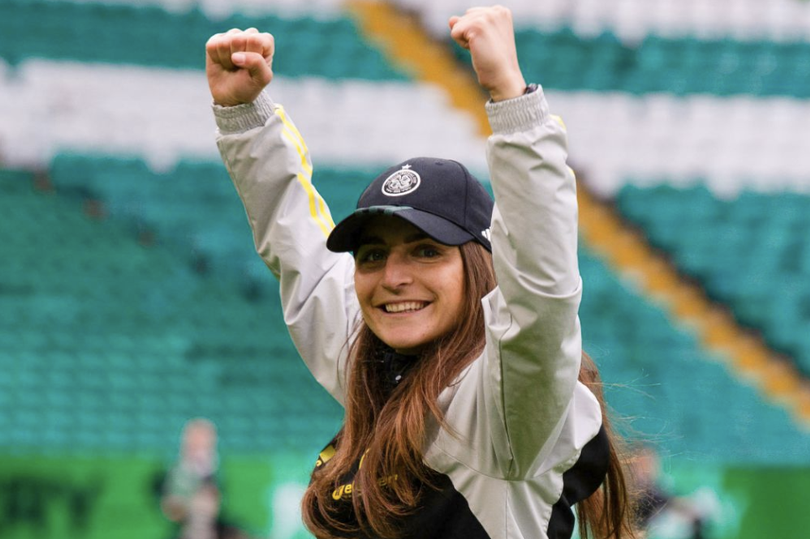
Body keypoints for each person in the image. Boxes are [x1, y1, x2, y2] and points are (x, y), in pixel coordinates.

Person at [205, 6, 636, 539]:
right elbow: (299, 250)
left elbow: (540, 295)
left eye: (427, 251)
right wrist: (245, 115)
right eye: (371, 255)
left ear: (480, 266)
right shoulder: (372, 368)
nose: (393, 276)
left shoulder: (502, 413)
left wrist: (513, 104)